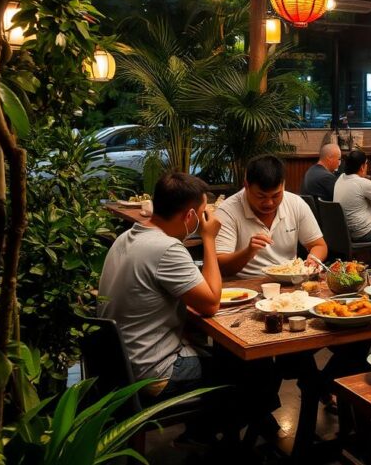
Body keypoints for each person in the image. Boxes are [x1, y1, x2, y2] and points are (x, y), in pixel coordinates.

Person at [98, 173, 279, 436]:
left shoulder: (126, 237)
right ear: (190, 217)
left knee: (236, 361)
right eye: (203, 213)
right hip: (154, 372)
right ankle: (226, 446)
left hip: (119, 365)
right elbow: (211, 304)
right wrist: (208, 239)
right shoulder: (166, 248)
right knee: (259, 371)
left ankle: (202, 435)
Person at [216, 154, 328, 278]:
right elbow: (220, 267)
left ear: (283, 184)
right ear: (246, 186)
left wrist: (313, 259)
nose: (269, 203)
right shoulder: (227, 211)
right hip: (245, 286)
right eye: (261, 196)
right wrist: (248, 252)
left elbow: (318, 245)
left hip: (290, 283)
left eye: (276, 195)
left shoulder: (295, 203)